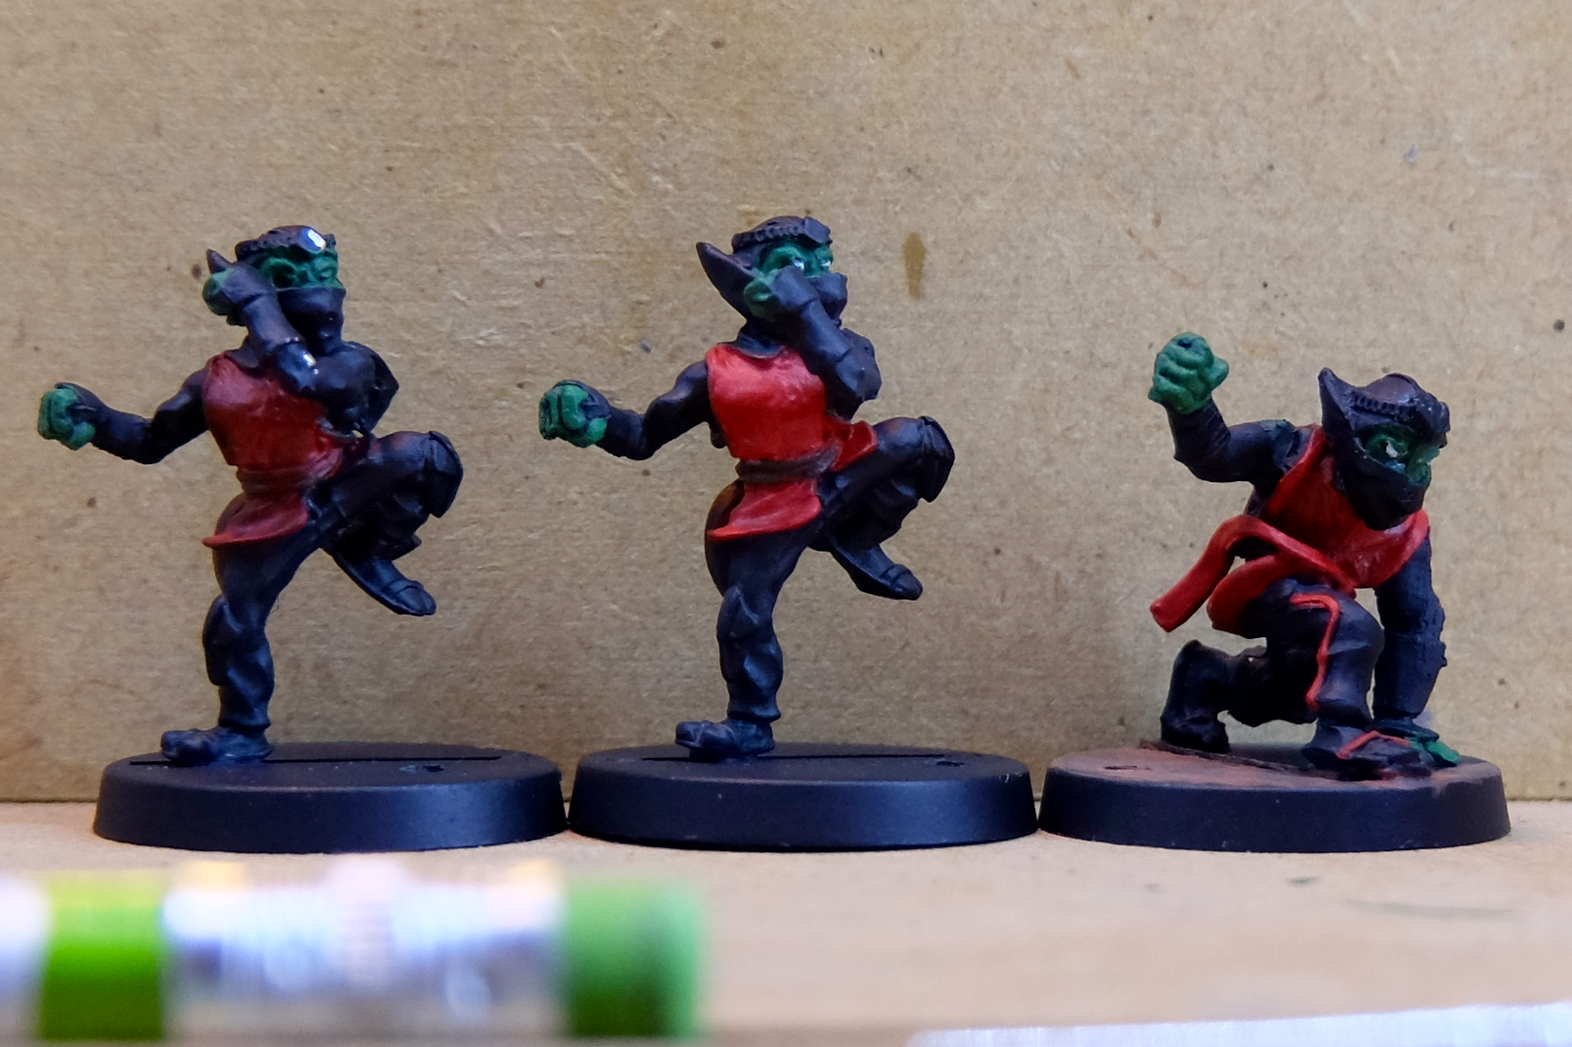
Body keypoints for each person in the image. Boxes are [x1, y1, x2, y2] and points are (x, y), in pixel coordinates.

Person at [37, 226, 461, 765]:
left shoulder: (350, 361)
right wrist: (94, 417)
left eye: (328, 277)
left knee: (424, 454)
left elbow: (309, 379)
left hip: (343, 474)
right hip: (270, 508)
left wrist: (260, 306)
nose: (325, 295)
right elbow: (148, 441)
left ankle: (371, 545)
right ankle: (240, 731)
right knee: (234, 622)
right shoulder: (219, 378)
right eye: (299, 279)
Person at [540, 216, 952, 759]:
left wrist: (806, 314)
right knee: (744, 613)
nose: (819, 279)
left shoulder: (839, 346)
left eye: (823, 264)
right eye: (795, 267)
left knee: (922, 441)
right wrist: (595, 418)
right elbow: (643, 435)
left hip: (840, 466)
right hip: (773, 500)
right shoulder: (717, 371)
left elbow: (857, 386)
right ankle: (750, 723)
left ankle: (857, 535)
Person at [1148, 332, 1454, 778]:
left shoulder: (1406, 532)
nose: (1407, 472)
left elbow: (1415, 623)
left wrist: (1399, 722)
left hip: (1320, 601)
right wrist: (1192, 408)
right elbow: (1216, 454)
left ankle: (1204, 680)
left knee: (1294, 691)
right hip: (1267, 580)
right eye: (1392, 450)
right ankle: (1343, 734)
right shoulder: (1292, 449)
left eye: (1422, 460)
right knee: (1351, 627)